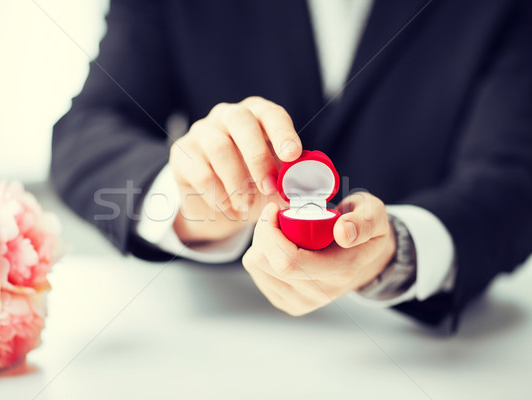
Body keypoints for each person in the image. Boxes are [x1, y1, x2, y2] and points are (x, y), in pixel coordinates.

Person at [51, 0, 532, 330]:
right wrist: (187, 202)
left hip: (424, 349)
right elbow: (88, 128)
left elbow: (514, 180)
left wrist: (397, 251)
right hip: (208, 336)